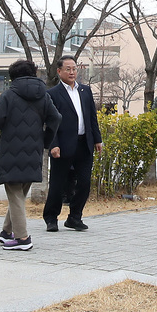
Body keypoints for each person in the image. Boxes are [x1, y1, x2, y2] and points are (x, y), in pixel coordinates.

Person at [0, 59, 62, 251]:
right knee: (19, 194)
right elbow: (56, 118)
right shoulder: (44, 96)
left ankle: (22, 239)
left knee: (15, 194)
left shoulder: (8, 95)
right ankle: (6, 232)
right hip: (34, 150)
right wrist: (46, 140)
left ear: (13, 77)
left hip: (10, 150)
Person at [43, 56, 102, 232]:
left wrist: (97, 139)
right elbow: (49, 123)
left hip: (84, 144)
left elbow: (92, 117)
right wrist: (53, 144)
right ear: (59, 71)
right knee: (58, 183)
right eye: (68, 69)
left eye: (74, 69)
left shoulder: (85, 90)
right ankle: (51, 218)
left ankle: (75, 217)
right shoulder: (52, 94)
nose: (72, 72)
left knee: (84, 183)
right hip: (62, 145)